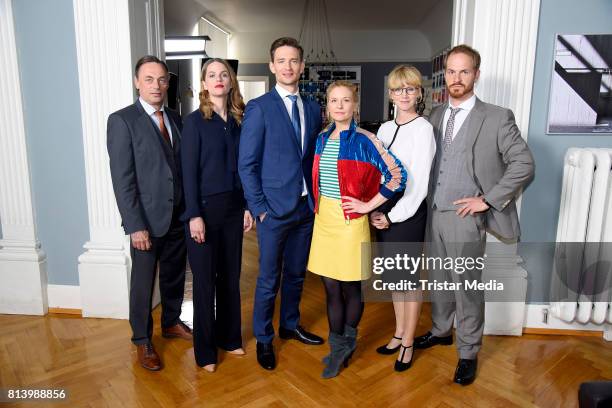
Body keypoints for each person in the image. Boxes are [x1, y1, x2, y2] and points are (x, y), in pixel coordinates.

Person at [415, 44, 535, 385]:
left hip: (465, 219)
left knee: (465, 286)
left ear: (476, 75)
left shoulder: (497, 117)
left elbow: (524, 163)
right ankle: (440, 331)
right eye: (451, 71)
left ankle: (468, 352)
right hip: (434, 213)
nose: (456, 78)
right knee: (437, 280)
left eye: (464, 71)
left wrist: (488, 200)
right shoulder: (435, 116)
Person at [308, 81, 407, 378]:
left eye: (346, 100)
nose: (339, 106)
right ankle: (337, 346)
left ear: (355, 105)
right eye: (334, 100)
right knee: (329, 287)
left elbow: (397, 176)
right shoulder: (321, 138)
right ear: (327, 106)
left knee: (350, 286)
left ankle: (345, 346)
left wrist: (368, 206)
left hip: (351, 222)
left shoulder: (366, 140)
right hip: (324, 219)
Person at [238, 37, 324, 371]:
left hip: (305, 208)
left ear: (302, 67)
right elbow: (247, 164)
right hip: (272, 210)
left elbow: (312, 158)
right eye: (282, 61)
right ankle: (264, 338)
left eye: (294, 61)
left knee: (297, 274)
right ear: (272, 66)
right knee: (268, 278)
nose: (288, 67)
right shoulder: (259, 108)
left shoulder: (314, 108)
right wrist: (258, 207)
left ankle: (289, 325)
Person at [107, 55, 192, 372]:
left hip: (178, 216)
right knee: (143, 283)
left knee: (174, 276)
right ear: (136, 82)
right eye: (149, 79)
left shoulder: (176, 117)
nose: (156, 85)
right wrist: (135, 226)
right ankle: (142, 339)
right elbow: (123, 179)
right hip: (145, 221)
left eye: (161, 80)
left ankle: (171, 322)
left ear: (167, 83)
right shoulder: (122, 120)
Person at [181, 58, 254, 373]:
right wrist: (193, 214)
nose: (219, 79)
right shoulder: (194, 121)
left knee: (230, 278)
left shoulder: (241, 120)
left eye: (224, 74)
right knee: (205, 283)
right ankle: (206, 352)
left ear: (231, 81)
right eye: (212, 75)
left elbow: (248, 167)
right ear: (204, 83)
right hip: (204, 212)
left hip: (235, 208)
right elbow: (188, 173)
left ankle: (230, 338)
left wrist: (249, 206)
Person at [371, 65, 436, 372]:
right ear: (391, 94)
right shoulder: (383, 129)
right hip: (385, 211)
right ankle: (398, 332)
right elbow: (378, 175)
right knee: (395, 279)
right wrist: (375, 208)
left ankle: (409, 342)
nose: (404, 95)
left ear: (419, 93)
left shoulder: (424, 129)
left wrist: (392, 217)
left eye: (410, 89)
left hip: (408, 214)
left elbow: (420, 184)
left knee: (408, 281)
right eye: (398, 89)